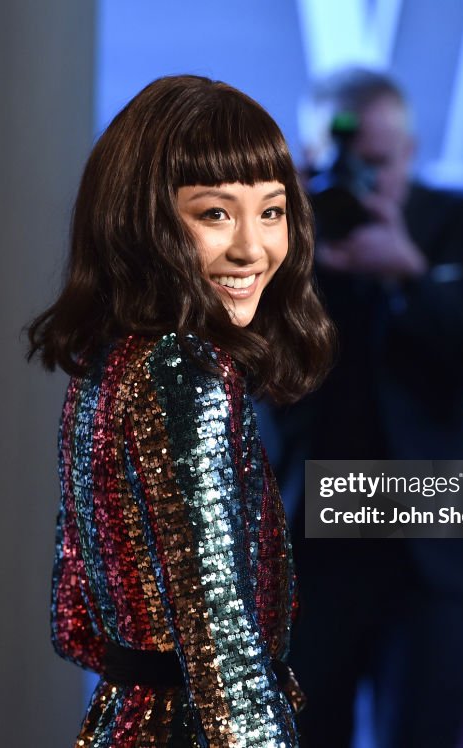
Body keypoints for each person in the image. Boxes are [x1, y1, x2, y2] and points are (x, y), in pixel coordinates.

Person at [27, 75, 335, 747]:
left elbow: (71, 618)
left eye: (272, 211)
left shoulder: (111, 361)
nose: (253, 248)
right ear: (143, 221)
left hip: (126, 719)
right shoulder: (183, 372)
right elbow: (222, 632)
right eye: (216, 213)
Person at [273, 69, 463, 748]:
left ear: (411, 151)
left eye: (376, 161)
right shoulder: (272, 244)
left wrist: (411, 278)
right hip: (305, 544)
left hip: (432, 541)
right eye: (334, 160)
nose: (356, 176)